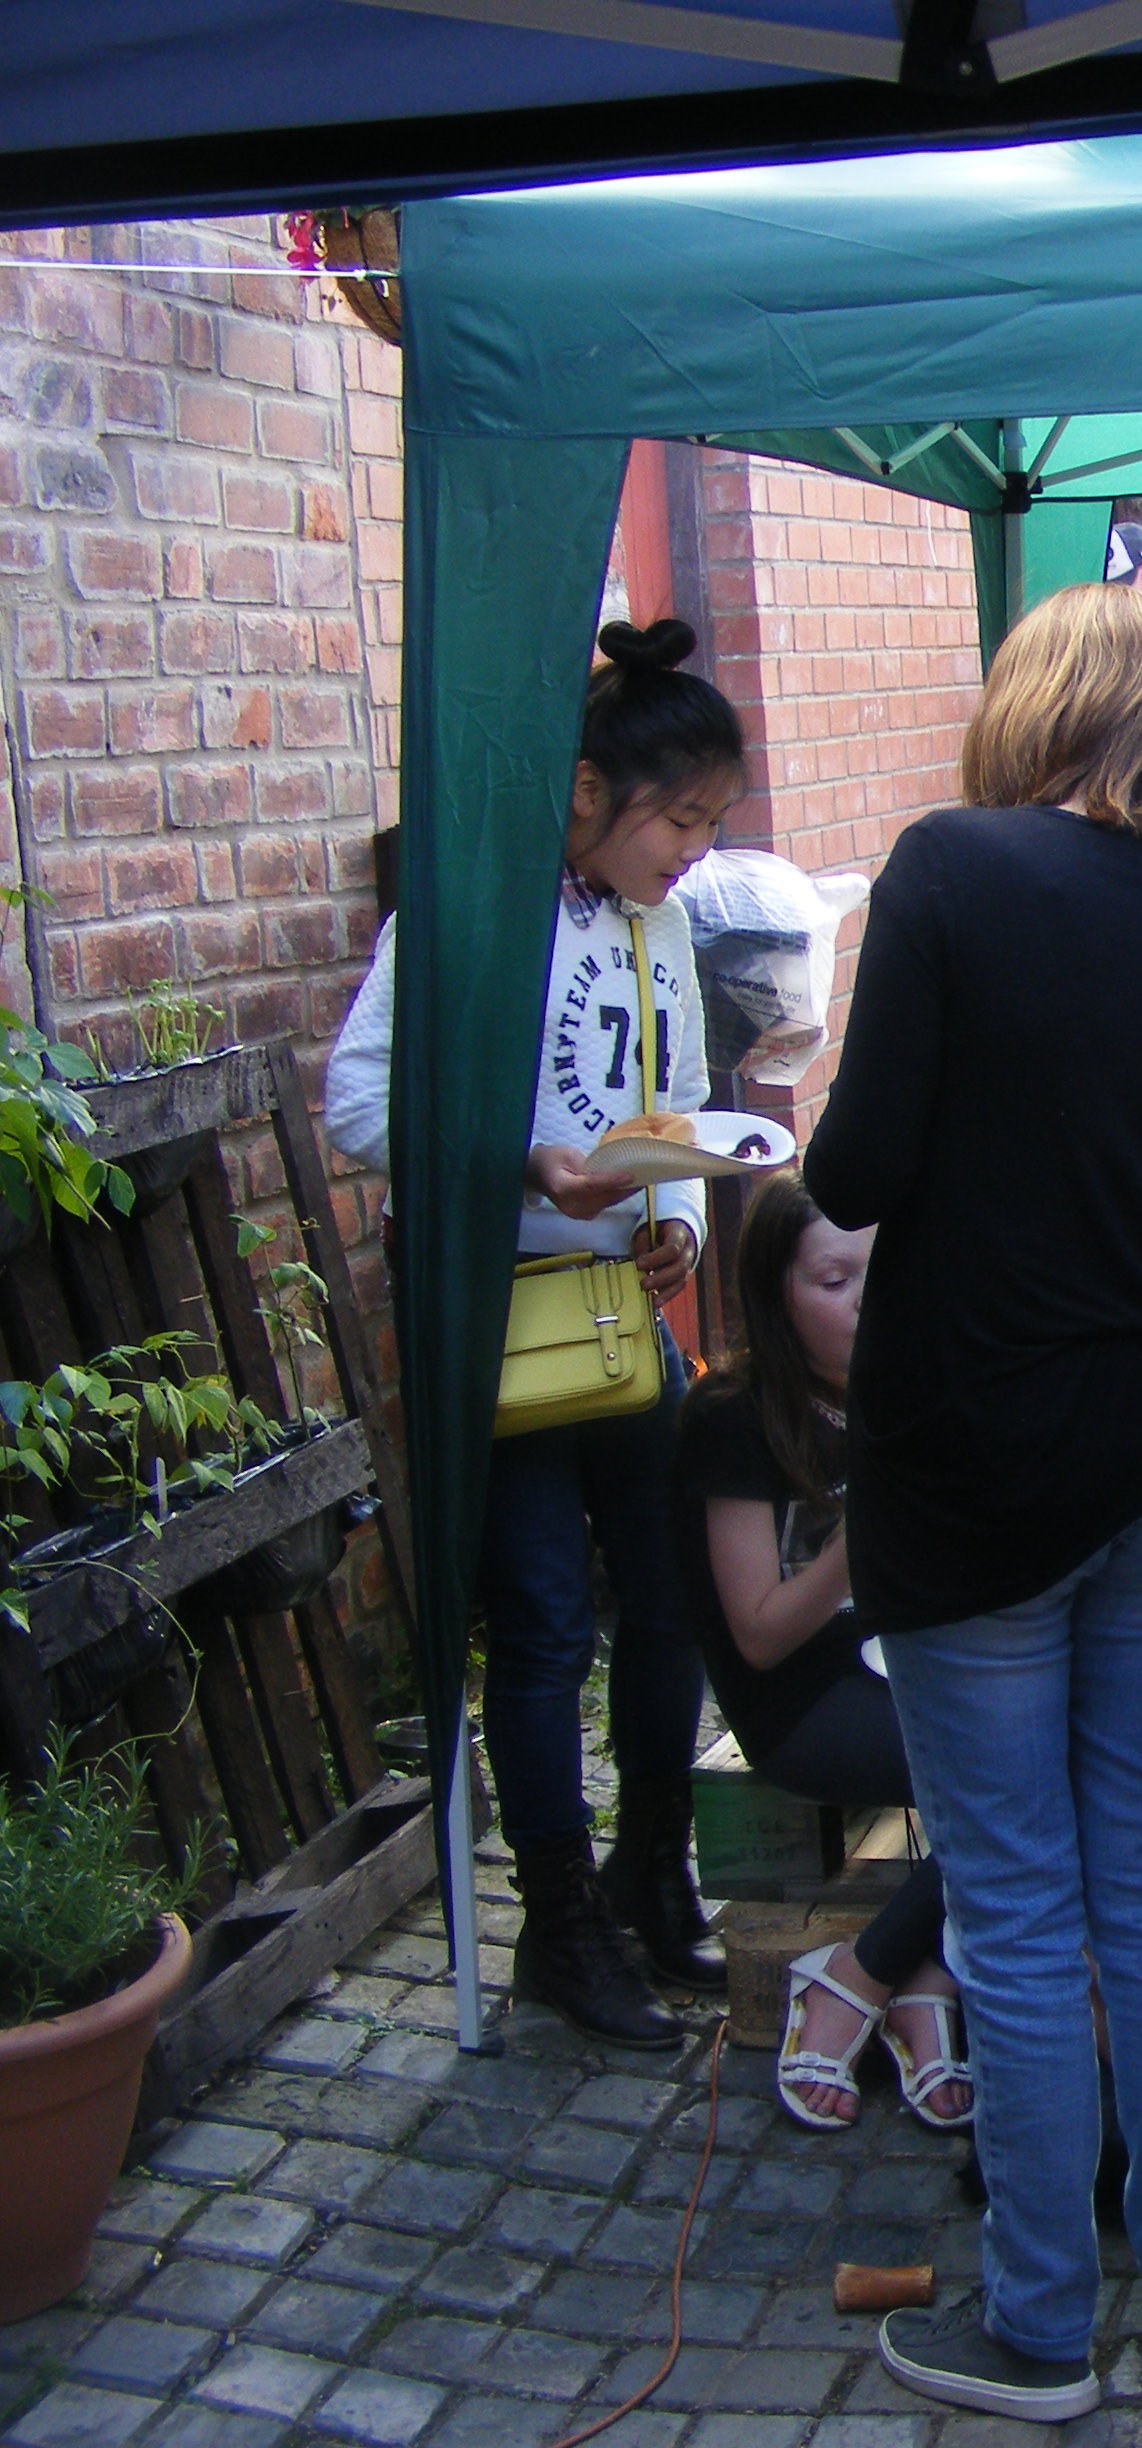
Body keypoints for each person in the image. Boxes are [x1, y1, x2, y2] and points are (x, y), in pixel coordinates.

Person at [804, 582, 1142, 2424]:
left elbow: (854, 1171)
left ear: (1040, 708)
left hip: (981, 1443)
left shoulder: (946, 870)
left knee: (1010, 1902)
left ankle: (1033, 2323)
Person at [326, 617, 735, 2052]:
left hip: (628, 1320)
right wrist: (523, 1165)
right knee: (550, 1628)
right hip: (500, 1332)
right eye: (677, 817)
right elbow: (357, 1109)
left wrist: (675, 1202)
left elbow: (673, 1098)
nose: (691, 848)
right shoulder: (464, 910)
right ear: (583, 792)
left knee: (676, 1597)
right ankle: (559, 1930)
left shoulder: (665, 926)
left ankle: (653, 1873)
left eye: (708, 823)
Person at [675, 1173, 969, 2136]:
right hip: (803, 1699)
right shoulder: (736, 1416)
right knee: (1013, 1781)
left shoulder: (906, 1381)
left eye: (879, 1277)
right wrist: (865, 1527)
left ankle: (916, 1981)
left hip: (913, 1658)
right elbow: (758, 1632)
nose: (864, 1305)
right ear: (776, 1294)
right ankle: (852, 1978)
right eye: (834, 1281)